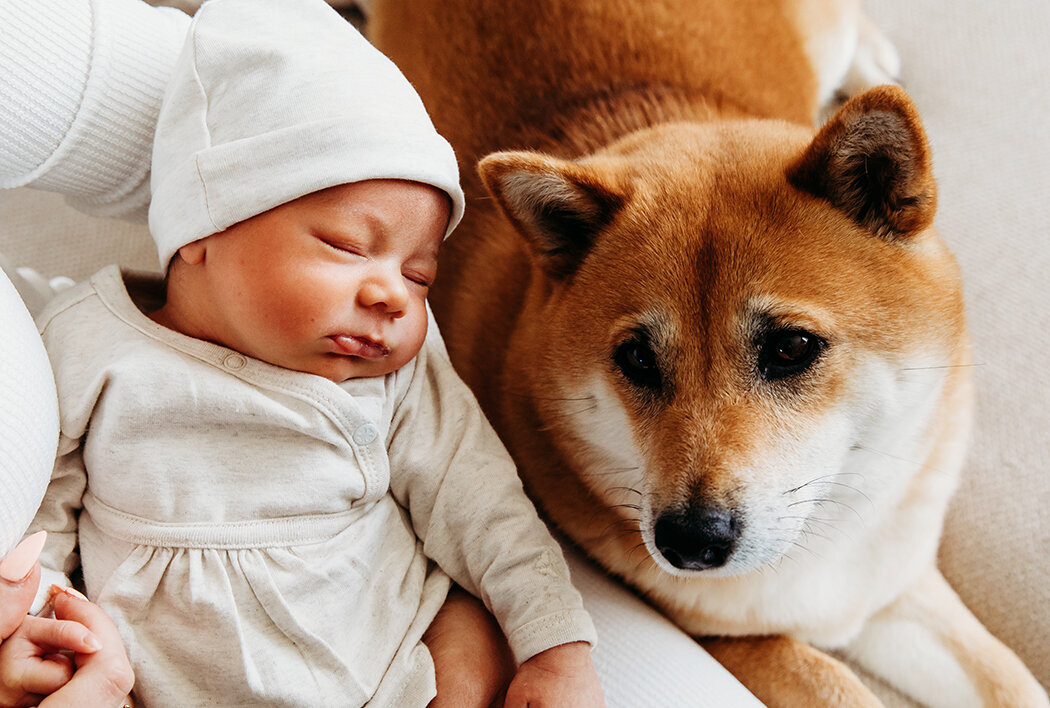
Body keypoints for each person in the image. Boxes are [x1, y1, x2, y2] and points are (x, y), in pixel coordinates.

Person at [7, 0, 604, 704]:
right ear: (203, 227)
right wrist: (50, 614)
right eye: (349, 247)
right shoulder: (88, 342)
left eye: (420, 277)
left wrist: (557, 647)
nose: (392, 294)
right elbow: (37, 514)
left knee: (465, 626)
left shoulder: (394, 374)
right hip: (163, 677)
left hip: (390, 659)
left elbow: (479, 502)